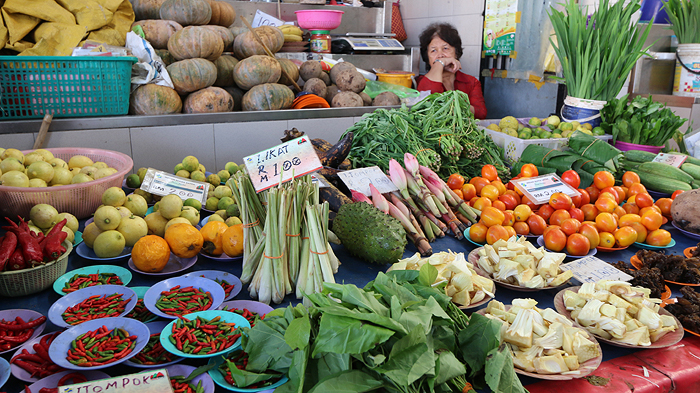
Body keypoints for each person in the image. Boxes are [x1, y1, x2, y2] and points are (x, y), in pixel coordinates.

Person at [416, 23, 487, 119]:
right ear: (427, 57)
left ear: (456, 52)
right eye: (433, 50)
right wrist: (439, 64)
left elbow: (481, 113)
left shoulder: (471, 82)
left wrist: (450, 105)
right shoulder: (421, 82)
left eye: (445, 48)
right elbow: (431, 107)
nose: (440, 55)